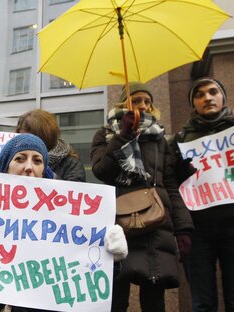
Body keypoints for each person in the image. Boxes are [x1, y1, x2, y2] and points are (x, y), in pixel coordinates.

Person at [0, 133, 128, 312]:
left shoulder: (65, 215)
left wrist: (111, 258)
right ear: (5, 167)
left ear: (43, 169)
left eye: (37, 160)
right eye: (20, 158)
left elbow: (85, 281)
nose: (28, 167)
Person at [90, 82, 193, 312]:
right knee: (115, 301)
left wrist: (183, 228)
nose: (143, 106)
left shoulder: (158, 139)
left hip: (155, 225)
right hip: (119, 226)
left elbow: (170, 185)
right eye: (136, 100)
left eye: (147, 101)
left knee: (154, 301)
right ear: (123, 104)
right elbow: (102, 171)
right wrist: (124, 137)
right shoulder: (106, 134)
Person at [170, 77, 234, 312]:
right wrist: (181, 170)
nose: (207, 98)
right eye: (199, 95)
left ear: (222, 97)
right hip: (197, 231)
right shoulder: (179, 142)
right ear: (193, 104)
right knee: (202, 303)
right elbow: (171, 185)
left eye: (213, 92)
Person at [15, 109, 86, 182]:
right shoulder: (15, 159)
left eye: (30, 139)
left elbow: (74, 191)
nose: (25, 143)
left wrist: (53, 178)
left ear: (45, 137)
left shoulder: (70, 163)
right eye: (21, 138)